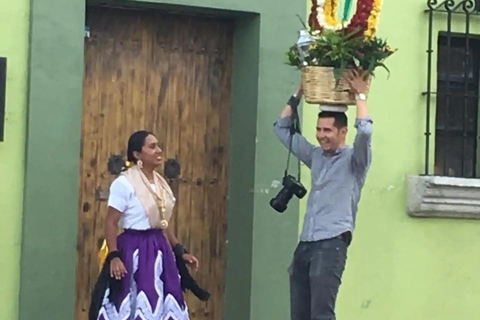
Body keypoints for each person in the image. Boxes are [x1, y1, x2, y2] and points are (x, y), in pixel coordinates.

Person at [273, 70, 372, 320]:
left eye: (327, 130)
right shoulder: (316, 156)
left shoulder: (355, 160)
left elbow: (366, 133)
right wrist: (299, 92)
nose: (321, 135)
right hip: (306, 242)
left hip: (332, 243)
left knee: (321, 314)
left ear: (342, 132)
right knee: (300, 315)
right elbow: (282, 129)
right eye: (318, 129)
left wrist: (360, 94)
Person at [92, 130, 199, 320]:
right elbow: (111, 222)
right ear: (137, 155)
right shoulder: (125, 183)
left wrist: (179, 250)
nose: (158, 150)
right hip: (134, 248)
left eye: (158, 146)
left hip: (159, 250)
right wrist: (114, 256)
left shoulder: (160, 184)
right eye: (152, 147)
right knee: (135, 300)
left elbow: (163, 222)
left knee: (164, 301)